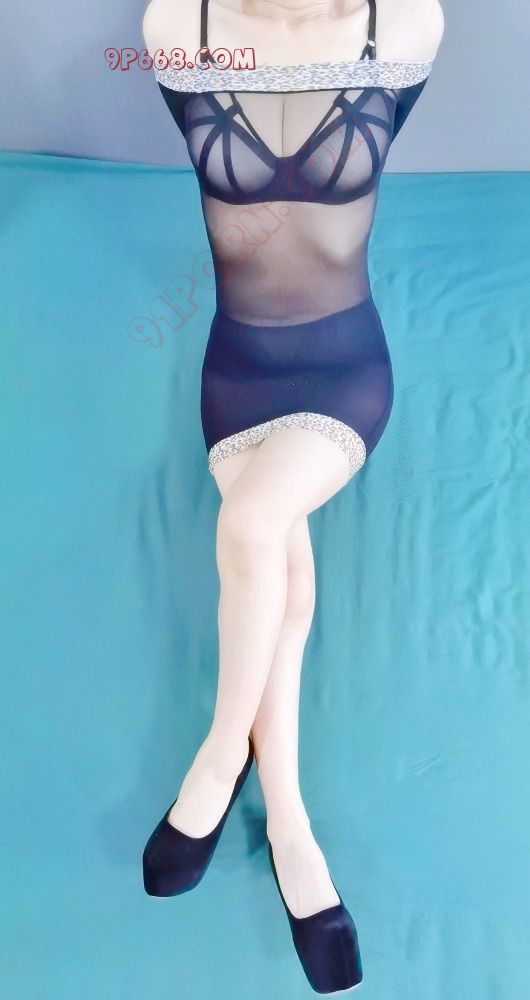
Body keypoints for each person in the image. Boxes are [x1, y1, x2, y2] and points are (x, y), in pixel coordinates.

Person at [141, 0, 444, 992]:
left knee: (254, 521)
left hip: (345, 369)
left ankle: (216, 760)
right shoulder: (176, 25)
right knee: (282, 578)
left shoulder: (404, 24)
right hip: (234, 374)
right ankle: (290, 825)